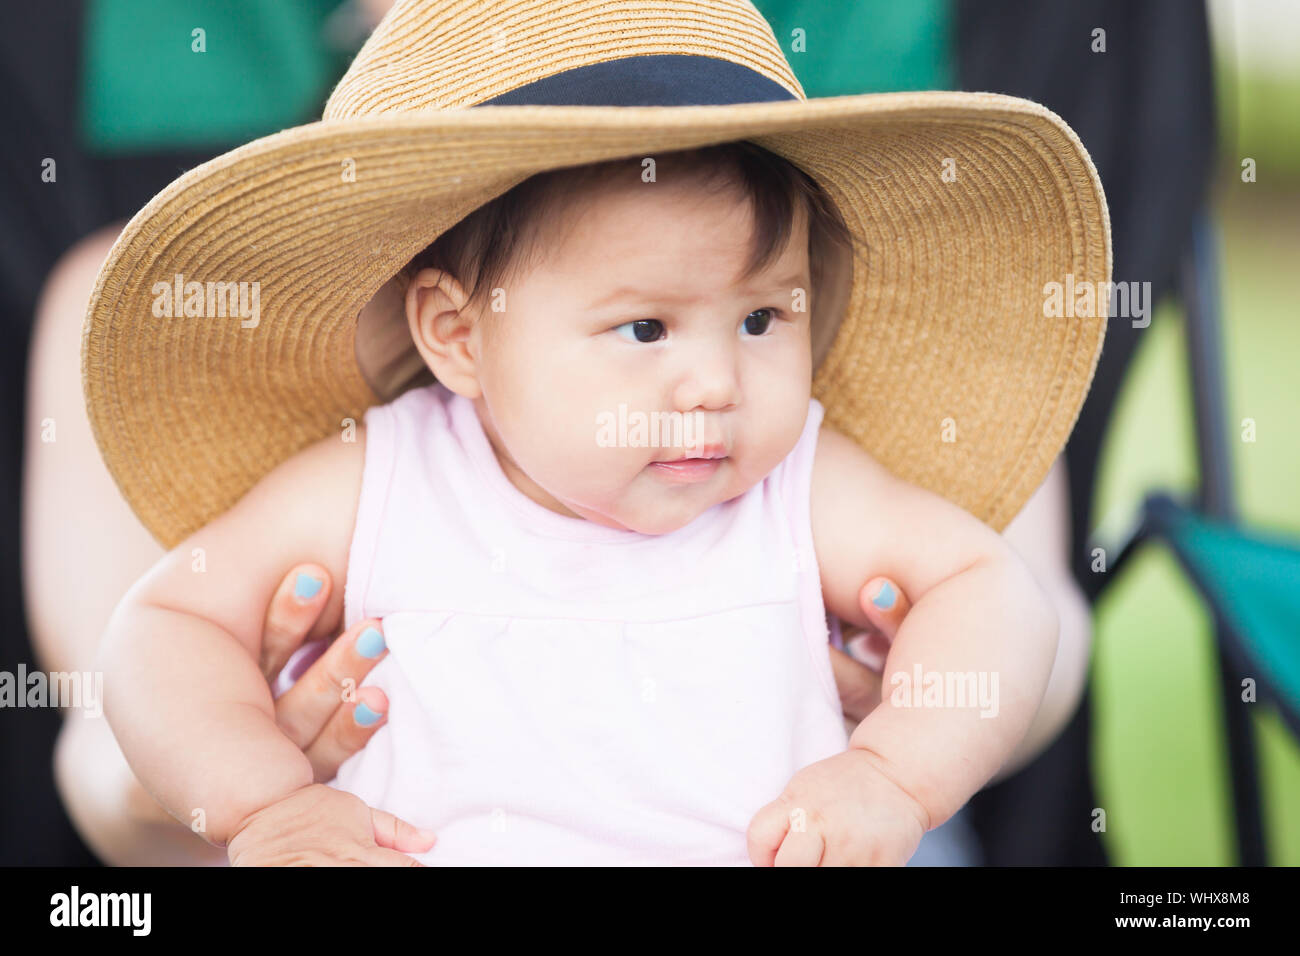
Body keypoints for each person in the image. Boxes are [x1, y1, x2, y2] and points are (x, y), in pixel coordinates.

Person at [78, 0, 1107, 865]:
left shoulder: (799, 482)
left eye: (762, 317)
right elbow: (166, 626)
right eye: (645, 327)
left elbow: (991, 590)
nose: (714, 381)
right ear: (457, 335)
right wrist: (264, 797)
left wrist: (894, 768)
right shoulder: (383, 476)